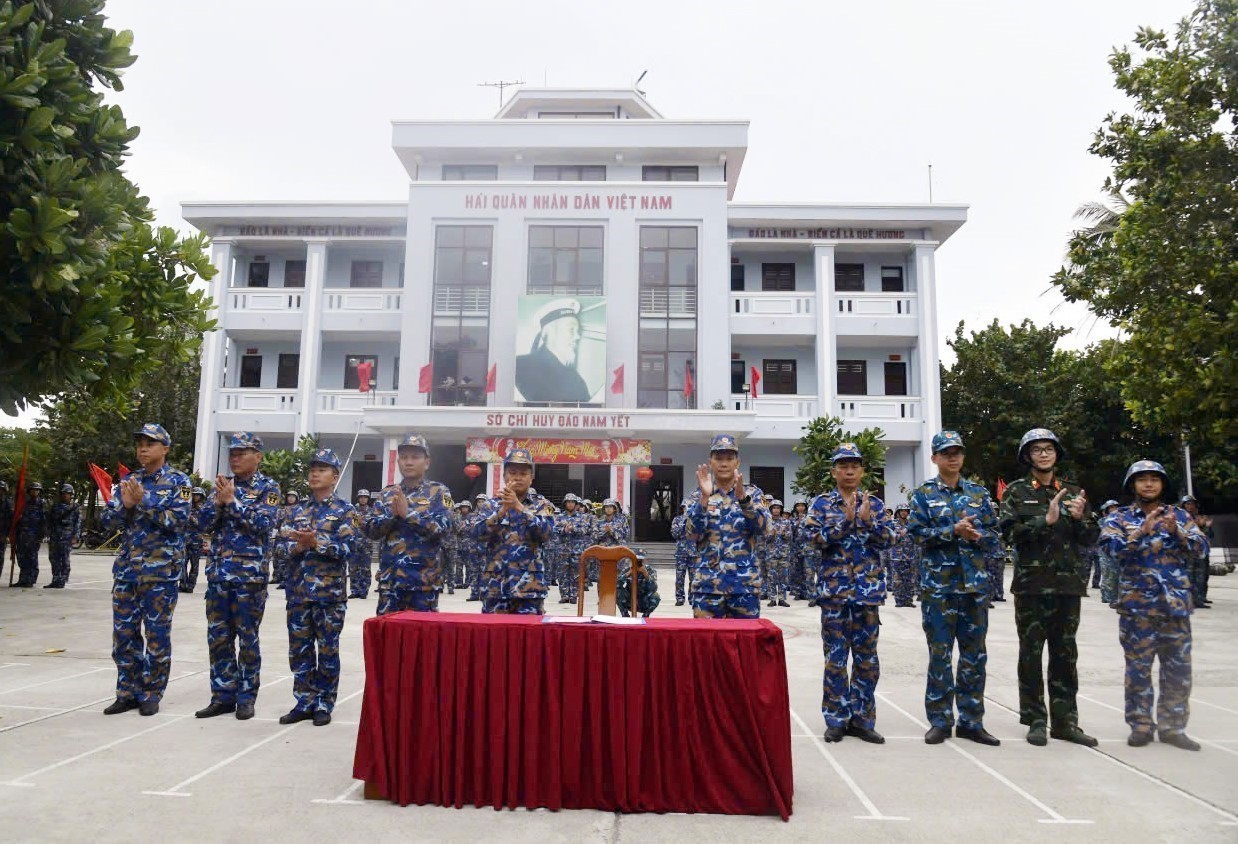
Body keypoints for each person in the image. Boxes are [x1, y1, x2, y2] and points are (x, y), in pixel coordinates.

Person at [998, 428, 1099, 748]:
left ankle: (1066, 721)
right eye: (1037, 450)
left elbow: (1090, 538)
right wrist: (1046, 521)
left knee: (1065, 656)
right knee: (1031, 655)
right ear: (1027, 456)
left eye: (1048, 449)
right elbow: (1009, 534)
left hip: (1067, 587)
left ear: (1056, 454)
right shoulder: (1015, 492)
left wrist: (1081, 519)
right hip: (1031, 587)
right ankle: (1035, 719)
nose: (1043, 454)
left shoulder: (1072, 492)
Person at [1100, 460, 1208, 751]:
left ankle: (1173, 727)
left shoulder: (1180, 516)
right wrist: (1140, 533)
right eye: (1142, 479)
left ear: (1163, 484)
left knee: (1178, 670)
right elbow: (1112, 552)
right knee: (1138, 670)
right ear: (1131, 485)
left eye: (1154, 479)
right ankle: (1141, 724)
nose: (1148, 484)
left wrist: (1178, 533)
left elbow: (1201, 550)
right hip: (1138, 608)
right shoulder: (1119, 519)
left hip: (1174, 606)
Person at [907, 430, 1001, 746]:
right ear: (934, 458)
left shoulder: (978, 494)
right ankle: (940, 720)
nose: (953, 457)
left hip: (973, 587)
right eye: (946, 452)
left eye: (957, 452)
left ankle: (972, 721)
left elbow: (994, 534)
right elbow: (917, 535)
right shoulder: (922, 494)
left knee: (974, 657)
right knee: (940, 655)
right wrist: (953, 531)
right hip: (939, 589)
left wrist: (978, 536)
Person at [802, 444, 896, 743]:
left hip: (867, 594)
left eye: (855, 465)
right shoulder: (821, 505)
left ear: (863, 471)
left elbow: (890, 539)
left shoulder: (876, 505)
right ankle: (836, 718)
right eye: (843, 465)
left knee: (867, 660)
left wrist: (868, 522)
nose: (850, 470)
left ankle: (863, 719)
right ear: (834, 471)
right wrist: (846, 522)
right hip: (834, 595)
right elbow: (811, 539)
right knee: (835, 659)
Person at [100, 424, 191, 716]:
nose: (142, 448)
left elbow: (178, 521)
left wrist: (144, 502)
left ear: (164, 448)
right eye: (139, 442)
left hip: (160, 572)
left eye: (150, 443)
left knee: (156, 635)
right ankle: (127, 691)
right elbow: (108, 521)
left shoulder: (179, 481)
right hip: (127, 570)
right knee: (123, 634)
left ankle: (152, 692)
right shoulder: (127, 480)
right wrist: (124, 507)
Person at [193, 432, 281, 721]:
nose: (235, 457)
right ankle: (222, 696)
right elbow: (202, 524)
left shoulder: (268, 488)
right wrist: (217, 502)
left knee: (247, 639)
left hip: (249, 577)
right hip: (219, 575)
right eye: (232, 452)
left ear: (258, 456)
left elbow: (264, 524)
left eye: (243, 452)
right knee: (218, 638)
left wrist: (233, 503)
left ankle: (246, 697)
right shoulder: (221, 486)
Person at [277, 448, 355, 726]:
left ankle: (324, 703)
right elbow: (280, 546)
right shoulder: (296, 510)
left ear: (334, 476)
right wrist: (297, 546)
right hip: (298, 593)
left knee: (327, 649)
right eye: (312, 469)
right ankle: (304, 701)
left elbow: (350, 548)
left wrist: (317, 543)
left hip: (329, 595)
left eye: (322, 469)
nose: (314, 474)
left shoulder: (345, 511)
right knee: (299, 650)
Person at [684, 434, 770, 619]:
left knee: (745, 645)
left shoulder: (753, 494)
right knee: (705, 645)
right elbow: (691, 534)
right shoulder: (697, 495)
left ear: (737, 462)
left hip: (744, 587)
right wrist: (704, 500)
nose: (724, 463)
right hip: (708, 587)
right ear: (710, 462)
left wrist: (743, 500)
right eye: (719, 458)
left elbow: (765, 529)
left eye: (729, 458)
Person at [365, 435, 451, 615]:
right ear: (398, 462)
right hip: (390, 583)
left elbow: (446, 527)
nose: (408, 462)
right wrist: (392, 516)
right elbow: (370, 530)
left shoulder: (440, 492)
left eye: (415, 457)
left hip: (423, 585)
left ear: (427, 462)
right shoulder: (387, 493)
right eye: (404, 457)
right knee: (388, 639)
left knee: (423, 640)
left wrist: (408, 514)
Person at [471, 448, 556, 614]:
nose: (517, 477)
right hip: (495, 587)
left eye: (523, 473)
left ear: (531, 478)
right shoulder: (490, 505)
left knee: (528, 638)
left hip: (529, 588)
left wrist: (519, 507)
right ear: (504, 476)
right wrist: (500, 512)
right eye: (512, 472)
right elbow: (475, 533)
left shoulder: (543, 505)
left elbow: (547, 534)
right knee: (493, 638)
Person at [514, 298, 591, 402]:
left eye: (577, 331)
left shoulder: (577, 381)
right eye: (571, 329)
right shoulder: (520, 366)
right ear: (549, 331)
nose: (577, 336)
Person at [556, 494, 591, 604]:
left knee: (576, 574)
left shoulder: (581, 517)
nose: (570, 504)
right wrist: (564, 530)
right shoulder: (560, 516)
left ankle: (574, 596)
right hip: (563, 550)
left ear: (576, 504)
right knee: (562, 573)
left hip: (577, 550)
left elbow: (585, 530)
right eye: (568, 502)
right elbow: (554, 530)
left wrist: (574, 528)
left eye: (572, 502)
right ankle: (564, 595)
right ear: (565, 504)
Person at [45, 483, 81, 588]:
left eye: (67, 494)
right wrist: (47, 533)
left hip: (67, 537)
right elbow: (49, 521)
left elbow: (78, 523)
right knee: (53, 558)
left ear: (71, 495)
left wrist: (76, 536)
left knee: (64, 559)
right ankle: (55, 579)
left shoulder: (75, 508)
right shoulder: (55, 507)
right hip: (55, 536)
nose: (65, 495)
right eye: (64, 493)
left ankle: (63, 579)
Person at [1180, 495, 1214, 609]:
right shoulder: (1180, 518)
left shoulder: (1201, 517)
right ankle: (1189, 600)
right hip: (1187, 553)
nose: (1190, 506)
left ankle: (1200, 599)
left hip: (1201, 553)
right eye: (1188, 504)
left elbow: (1209, 536)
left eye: (1192, 504)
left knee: (1202, 576)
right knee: (1189, 577)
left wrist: (1206, 526)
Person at [887, 504, 921, 608]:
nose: (904, 512)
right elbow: (889, 538)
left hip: (910, 556)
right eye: (902, 511)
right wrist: (899, 535)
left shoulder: (911, 524)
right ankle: (899, 601)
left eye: (906, 511)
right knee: (897, 580)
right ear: (897, 512)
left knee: (910, 580)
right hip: (896, 556)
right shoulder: (892, 524)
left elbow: (917, 538)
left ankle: (908, 601)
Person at [13, 481, 46, 587]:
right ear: (29, 491)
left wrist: (41, 535)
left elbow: (44, 520)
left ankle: (31, 580)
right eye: (33, 489)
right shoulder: (24, 503)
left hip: (34, 535)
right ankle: (23, 579)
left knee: (32, 558)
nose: (35, 492)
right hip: (22, 535)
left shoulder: (41, 503)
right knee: (22, 558)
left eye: (37, 490)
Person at [766, 500, 793, 608]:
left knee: (783, 577)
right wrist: (771, 534)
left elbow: (790, 537)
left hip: (783, 553)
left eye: (778, 508)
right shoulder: (767, 522)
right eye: (774, 508)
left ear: (781, 509)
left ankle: (782, 598)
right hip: (771, 553)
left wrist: (784, 533)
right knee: (771, 576)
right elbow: (764, 538)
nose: (776, 510)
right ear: (771, 509)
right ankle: (772, 598)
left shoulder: (786, 522)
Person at [180, 487, 207, 594]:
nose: (195, 496)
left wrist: (192, 519)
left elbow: (204, 526)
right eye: (194, 494)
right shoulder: (187, 507)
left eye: (198, 495)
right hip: (185, 540)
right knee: (182, 563)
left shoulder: (203, 509)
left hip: (196, 541)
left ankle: (191, 585)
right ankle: (183, 584)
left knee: (194, 565)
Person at [670, 500, 696, 606]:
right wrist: (684, 523)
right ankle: (680, 598)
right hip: (681, 552)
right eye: (685, 507)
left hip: (694, 552)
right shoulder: (677, 519)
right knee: (680, 577)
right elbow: (675, 534)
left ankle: (692, 598)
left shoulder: (696, 520)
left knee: (693, 578)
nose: (687, 509)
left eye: (689, 507)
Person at [271, 491, 300, 590]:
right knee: (278, 558)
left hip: (291, 538)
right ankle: (278, 576)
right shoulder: (281, 510)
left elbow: (299, 523)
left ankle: (286, 580)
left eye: (293, 497)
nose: (291, 499)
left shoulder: (298, 510)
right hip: (280, 537)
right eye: (289, 497)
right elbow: (276, 522)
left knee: (288, 559)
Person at [349, 489, 374, 599]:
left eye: (365, 497)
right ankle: (354, 590)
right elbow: (354, 525)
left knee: (365, 569)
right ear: (358, 498)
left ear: (368, 499)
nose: (363, 499)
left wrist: (362, 522)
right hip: (355, 543)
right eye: (361, 497)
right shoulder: (353, 510)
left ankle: (364, 591)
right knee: (353, 568)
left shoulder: (372, 511)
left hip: (367, 544)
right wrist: (358, 521)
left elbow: (372, 526)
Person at [465, 493, 490, 601]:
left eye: (483, 501)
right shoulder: (471, 516)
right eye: (479, 502)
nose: (481, 504)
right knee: (473, 571)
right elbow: (467, 529)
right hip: (473, 546)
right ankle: (474, 593)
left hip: (485, 547)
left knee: (485, 570)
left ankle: (484, 593)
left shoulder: (490, 515)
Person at [1096, 499, 1121, 604]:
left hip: (1116, 552)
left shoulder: (1120, 520)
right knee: (1107, 574)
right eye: (1111, 508)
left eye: (1115, 507)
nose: (1113, 509)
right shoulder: (1102, 521)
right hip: (1104, 552)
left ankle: (1113, 597)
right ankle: (1106, 596)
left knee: (1115, 575)